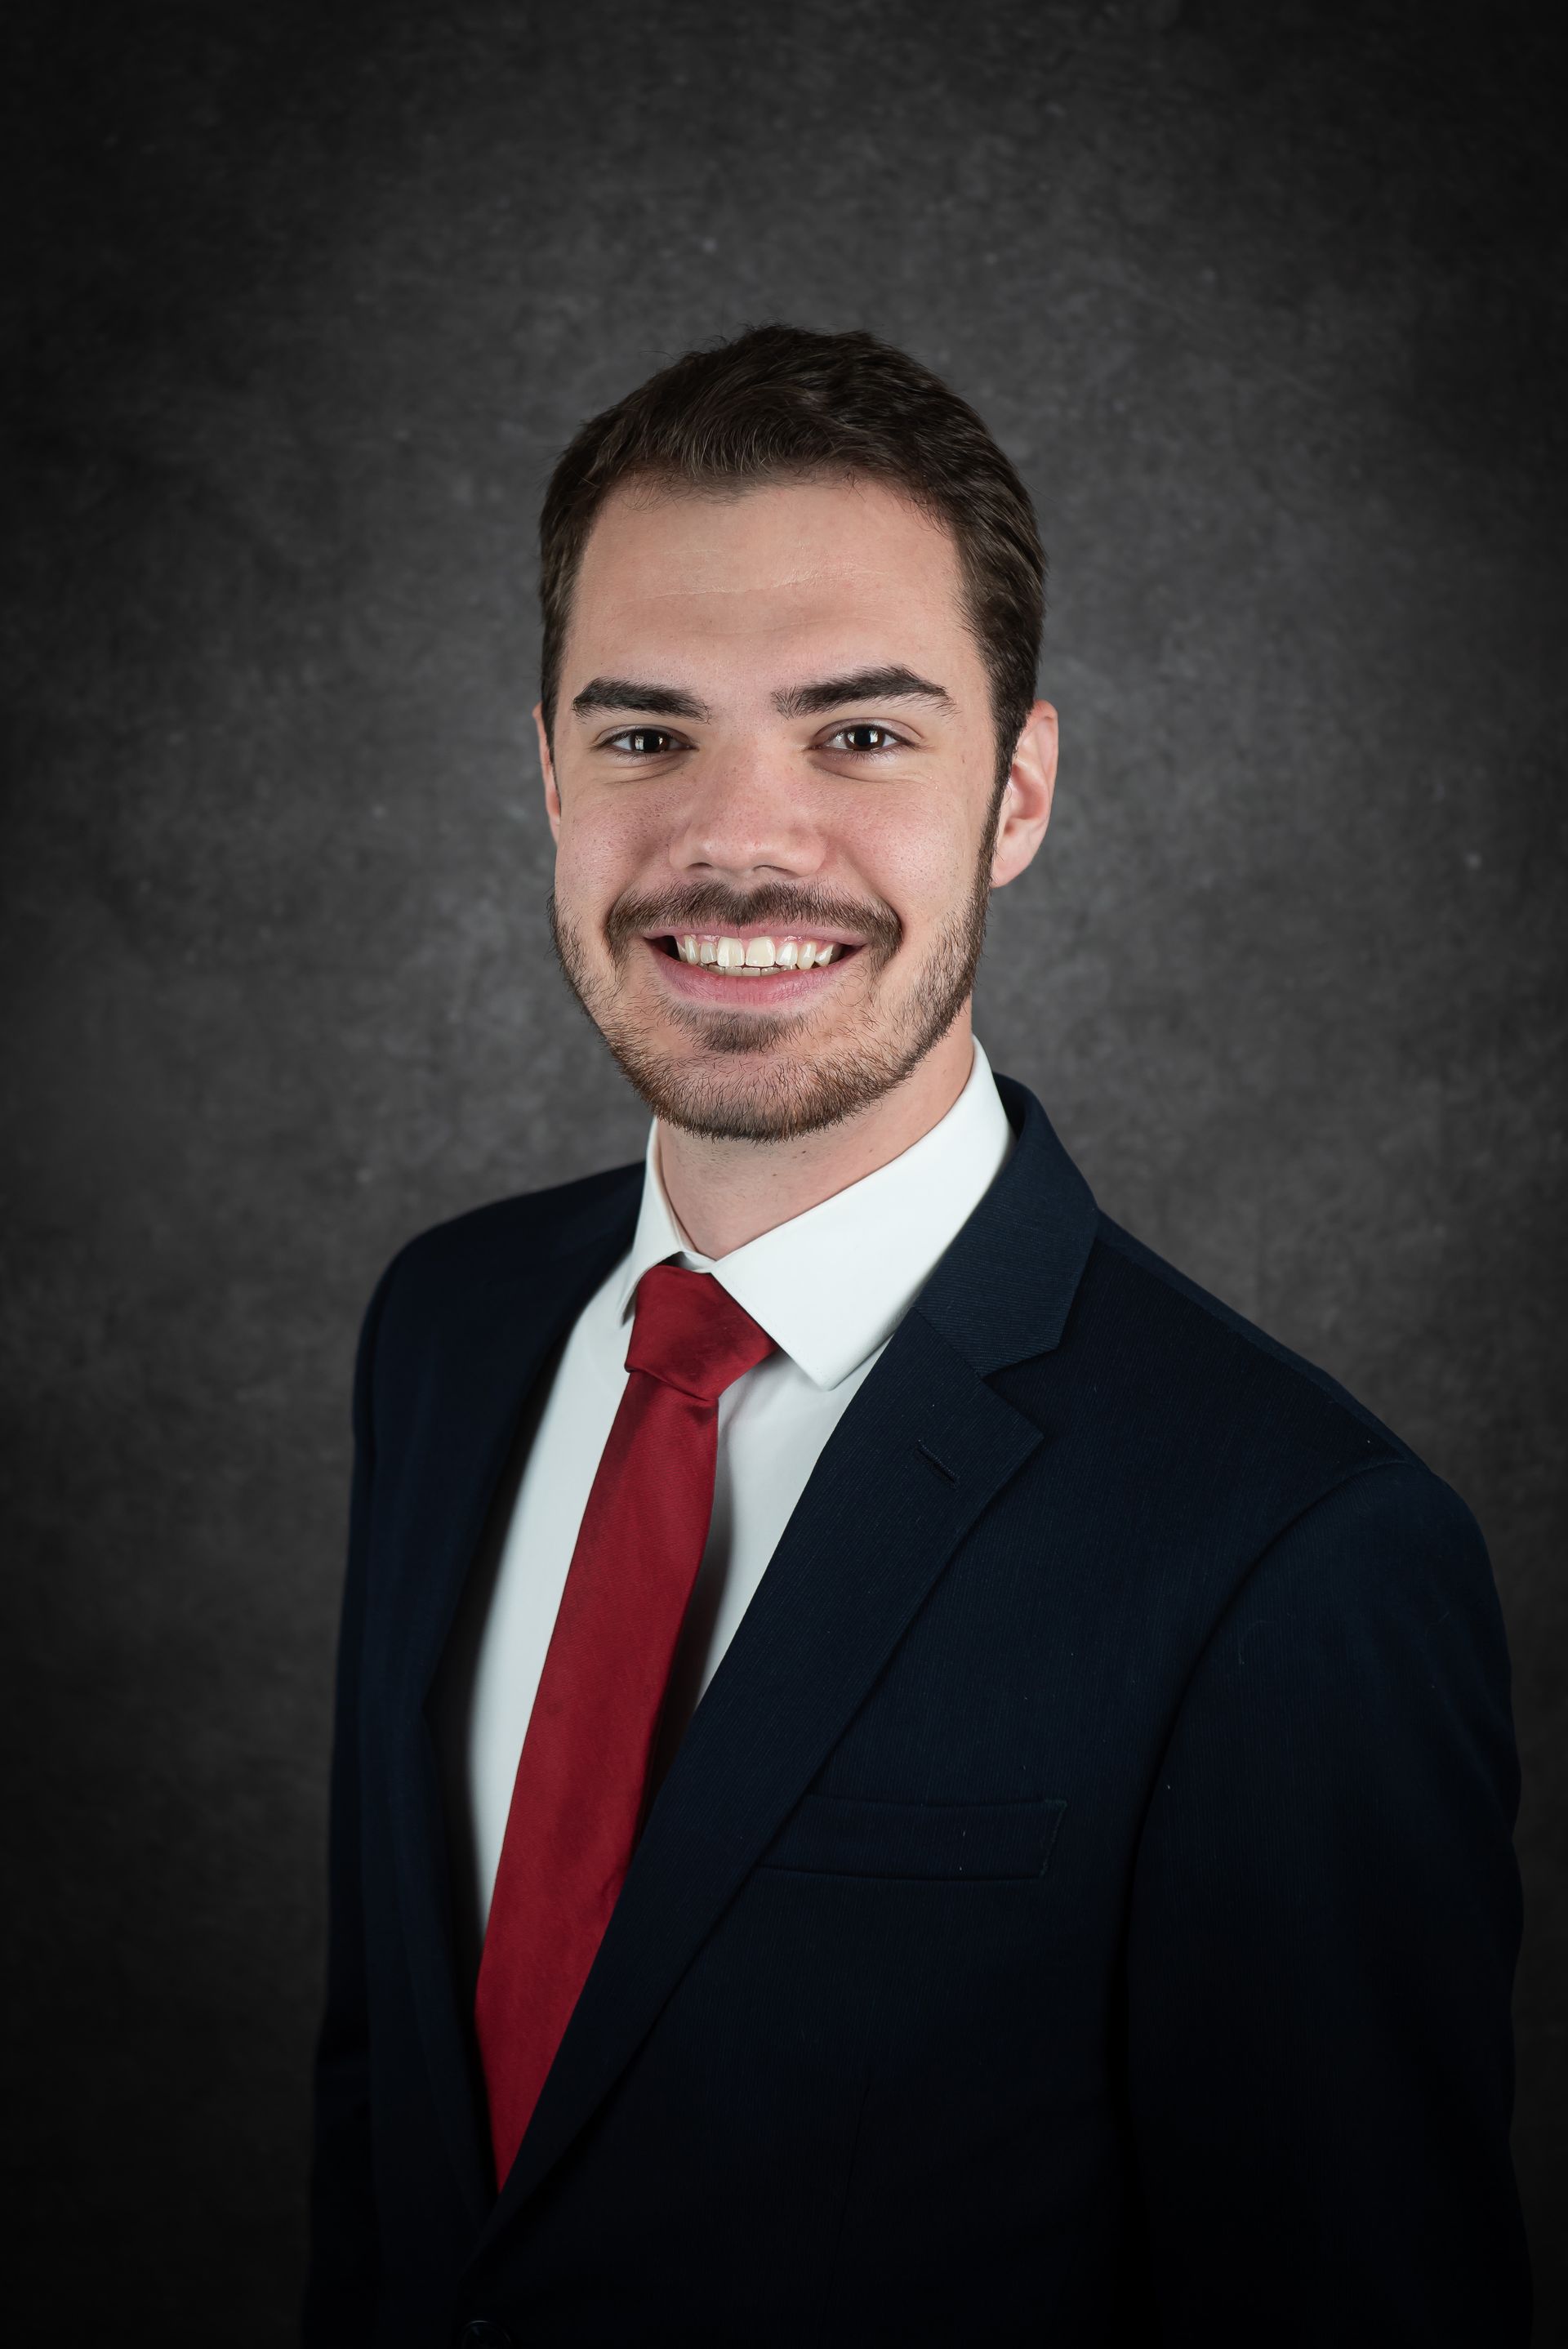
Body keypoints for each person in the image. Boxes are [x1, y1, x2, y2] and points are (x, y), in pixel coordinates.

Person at [303, 325, 1530, 2347]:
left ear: (1019, 790)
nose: (740, 840)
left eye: (859, 736)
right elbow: (392, 2125)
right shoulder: (444, 1332)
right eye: (645, 735)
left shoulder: (1298, 1558)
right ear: (544, 772)